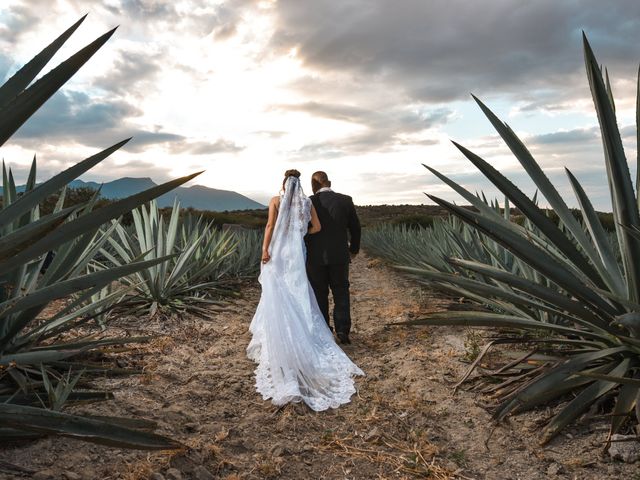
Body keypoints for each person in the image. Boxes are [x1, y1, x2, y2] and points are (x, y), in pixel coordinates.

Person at [247, 169, 364, 411]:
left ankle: (307, 329)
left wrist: (266, 249)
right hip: (312, 254)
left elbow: (270, 225)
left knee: (295, 292)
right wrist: (300, 235)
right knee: (325, 291)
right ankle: (340, 331)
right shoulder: (311, 201)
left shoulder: (278, 201)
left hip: (286, 253)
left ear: (284, 183)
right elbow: (325, 227)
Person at [304, 171, 361, 344]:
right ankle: (343, 330)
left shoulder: (308, 202)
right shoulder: (345, 200)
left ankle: (324, 331)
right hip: (339, 256)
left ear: (314, 185)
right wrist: (354, 249)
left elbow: (303, 229)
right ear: (329, 182)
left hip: (315, 258)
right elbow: (356, 227)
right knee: (341, 291)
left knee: (319, 293)